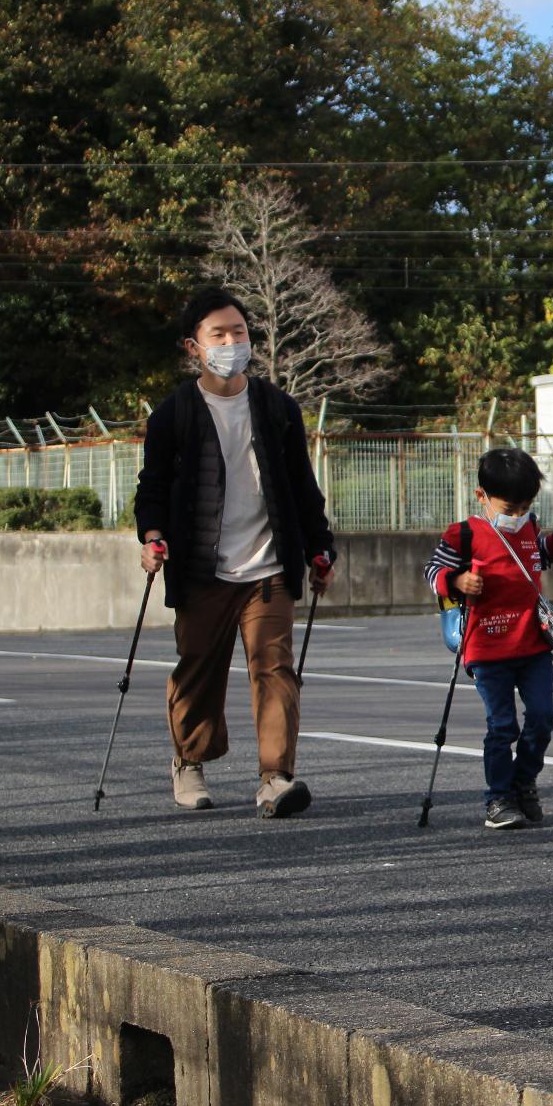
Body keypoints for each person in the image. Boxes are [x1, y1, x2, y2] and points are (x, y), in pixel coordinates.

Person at [134, 286, 336, 818]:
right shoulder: (173, 414)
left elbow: (301, 486)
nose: (231, 342)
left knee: (275, 669)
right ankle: (189, 760)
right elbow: (151, 488)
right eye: (218, 334)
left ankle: (276, 776)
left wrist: (321, 547)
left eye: (239, 332)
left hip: (269, 565)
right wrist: (152, 538)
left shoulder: (277, 408)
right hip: (202, 567)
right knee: (199, 667)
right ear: (193, 347)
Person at [424, 448, 553, 830]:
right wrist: (457, 581)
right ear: (481, 496)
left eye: (525, 507)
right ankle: (498, 797)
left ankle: (523, 780)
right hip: (486, 649)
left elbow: (543, 555)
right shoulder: (464, 534)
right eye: (509, 508)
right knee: (502, 725)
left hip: (533, 645)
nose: (517, 516)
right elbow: (433, 570)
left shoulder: (529, 528)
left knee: (544, 716)